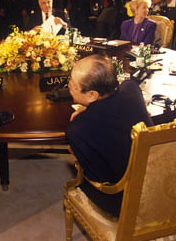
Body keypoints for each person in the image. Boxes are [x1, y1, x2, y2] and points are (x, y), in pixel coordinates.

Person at [65, 55, 153, 216]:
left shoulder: (78, 129)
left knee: (75, 182)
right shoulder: (131, 87)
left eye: (72, 83)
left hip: (123, 199)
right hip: (154, 176)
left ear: (92, 95)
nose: (69, 85)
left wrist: (76, 152)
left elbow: (98, 176)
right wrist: (87, 108)